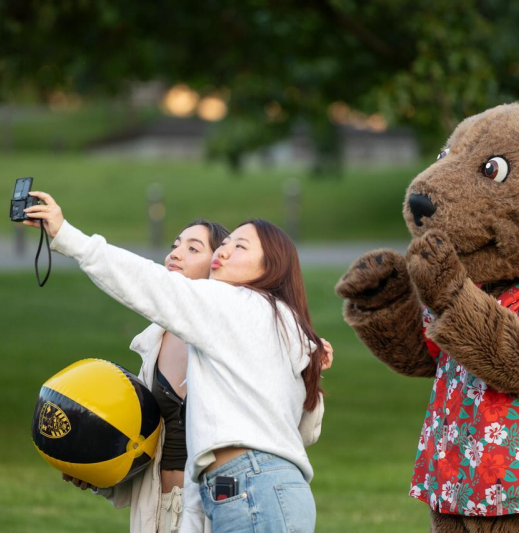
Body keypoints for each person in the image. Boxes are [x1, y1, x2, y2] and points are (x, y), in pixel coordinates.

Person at [24, 193, 330, 532]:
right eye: (225, 244)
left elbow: (148, 283)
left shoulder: (237, 305)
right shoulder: (266, 322)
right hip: (244, 487)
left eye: (240, 247)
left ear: (270, 267)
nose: (224, 252)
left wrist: (66, 235)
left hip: (254, 486)